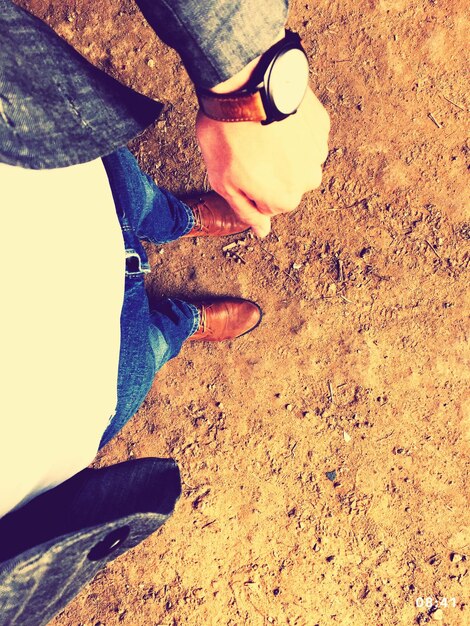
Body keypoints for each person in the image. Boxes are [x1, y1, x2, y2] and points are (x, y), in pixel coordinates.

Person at [0, 0, 330, 624]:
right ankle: (181, 319)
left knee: (130, 196)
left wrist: (250, 81)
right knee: (147, 351)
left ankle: (176, 219)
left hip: (44, 170)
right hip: (66, 410)